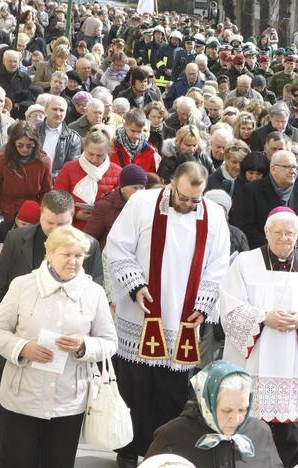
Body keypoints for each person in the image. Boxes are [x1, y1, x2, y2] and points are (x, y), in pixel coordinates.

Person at [105, 161, 231, 468]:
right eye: (184, 197)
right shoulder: (142, 203)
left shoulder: (213, 216)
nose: (188, 204)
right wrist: (136, 287)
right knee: (134, 385)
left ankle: (161, 450)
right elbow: (117, 247)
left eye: (195, 200)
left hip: (182, 320)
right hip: (141, 312)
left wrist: (202, 305)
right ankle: (127, 449)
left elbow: (218, 266)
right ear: (172, 183)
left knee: (171, 391)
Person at [0, 225, 116, 468]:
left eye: (78, 256)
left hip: (68, 402)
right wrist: (23, 348)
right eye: (66, 254)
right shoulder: (23, 285)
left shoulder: (94, 293)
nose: (73, 262)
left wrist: (84, 346)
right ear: (50, 253)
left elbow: (110, 343)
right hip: (21, 398)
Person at [220, 206, 298, 467]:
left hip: (289, 360)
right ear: (266, 232)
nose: (284, 238)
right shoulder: (244, 263)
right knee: (248, 419)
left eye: (290, 233)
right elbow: (229, 305)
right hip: (252, 359)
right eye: (278, 232)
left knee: (288, 426)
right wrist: (263, 317)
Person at [145, 361, 284, 467]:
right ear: (208, 404)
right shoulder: (174, 435)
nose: (235, 419)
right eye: (226, 410)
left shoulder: (260, 432)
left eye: (242, 409)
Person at [231, 150, 298, 249]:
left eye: (295, 167)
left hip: (292, 251)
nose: (293, 171)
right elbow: (246, 227)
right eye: (287, 167)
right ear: (273, 169)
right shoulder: (251, 191)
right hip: (261, 251)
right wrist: (275, 245)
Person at [0, 120, 52, 228]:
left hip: (31, 215)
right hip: (5, 214)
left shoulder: (43, 161)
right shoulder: (2, 160)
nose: (24, 149)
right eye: (20, 145)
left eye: (29, 146)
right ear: (13, 143)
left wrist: (40, 212)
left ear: (36, 143)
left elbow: (46, 192)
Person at [53, 130, 122, 230]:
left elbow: (119, 206)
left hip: (102, 231)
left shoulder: (117, 172)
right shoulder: (69, 168)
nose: (94, 159)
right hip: (71, 229)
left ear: (107, 151)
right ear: (84, 148)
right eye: (90, 154)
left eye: (99, 155)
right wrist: (75, 214)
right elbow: (57, 200)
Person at [84, 164, 148, 247]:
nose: (139, 192)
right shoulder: (104, 207)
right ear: (122, 188)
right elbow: (88, 239)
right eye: (134, 188)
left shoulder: (147, 205)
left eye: (142, 187)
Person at [110, 108, 160, 173]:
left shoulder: (150, 151)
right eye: (133, 131)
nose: (136, 135)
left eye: (139, 132)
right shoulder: (111, 147)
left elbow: (152, 177)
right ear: (125, 125)